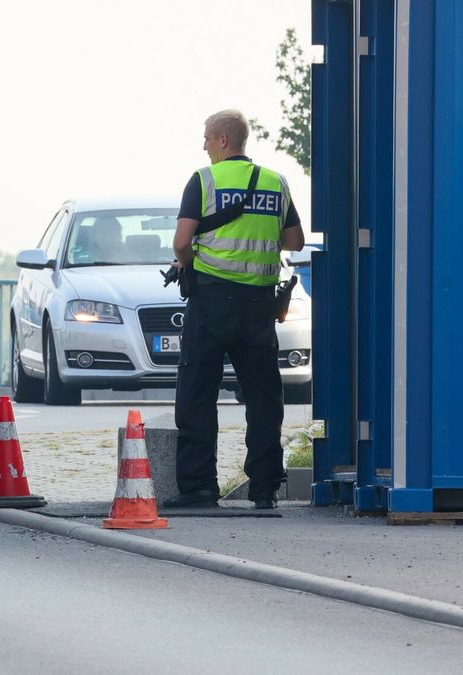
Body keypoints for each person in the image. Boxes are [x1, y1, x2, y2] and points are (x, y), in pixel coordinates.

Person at [165, 109, 305, 510]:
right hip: (258, 306)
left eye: (207, 137)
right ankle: (264, 489)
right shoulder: (275, 182)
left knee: (197, 393)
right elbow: (294, 240)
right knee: (263, 399)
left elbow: (181, 242)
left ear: (223, 140)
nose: (204, 144)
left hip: (210, 302)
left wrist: (189, 260)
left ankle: (199, 488)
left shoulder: (204, 180)